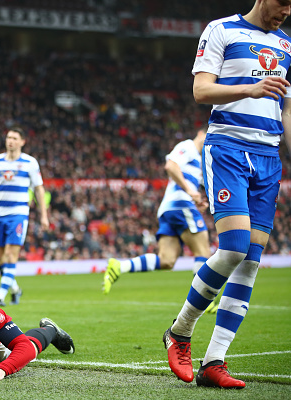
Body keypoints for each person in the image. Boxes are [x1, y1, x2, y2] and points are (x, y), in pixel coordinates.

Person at [163, 0, 291, 389]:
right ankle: (180, 331)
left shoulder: (286, 44)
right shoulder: (221, 29)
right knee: (233, 247)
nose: (286, 10)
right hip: (229, 148)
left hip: (269, 155)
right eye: (281, 2)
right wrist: (251, 87)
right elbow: (201, 90)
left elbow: (285, 109)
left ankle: (214, 362)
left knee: (250, 261)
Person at [103, 128, 214, 301]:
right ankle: (201, 301)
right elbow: (170, 165)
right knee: (203, 250)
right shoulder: (188, 146)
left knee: (166, 260)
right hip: (180, 205)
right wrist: (189, 191)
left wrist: (198, 200)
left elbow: (187, 183)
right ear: (201, 133)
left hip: (170, 208)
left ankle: (120, 266)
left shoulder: (200, 162)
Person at [0, 127, 49, 306]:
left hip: (18, 214)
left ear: (22, 142)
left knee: (11, 255)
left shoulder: (30, 163)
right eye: (8, 137)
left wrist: (44, 215)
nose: (10, 140)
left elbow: (39, 188)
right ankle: (15, 289)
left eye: (14, 138)